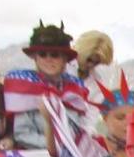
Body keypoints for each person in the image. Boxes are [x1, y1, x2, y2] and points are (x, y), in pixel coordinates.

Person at [5, 20, 89, 150]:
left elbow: (81, 128)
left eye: (54, 55)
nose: (48, 59)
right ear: (35, 58)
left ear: (64, 59)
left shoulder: (75, 91)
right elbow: (22, 134)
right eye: (43, 54)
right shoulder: (24, 89)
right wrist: (56, 146)